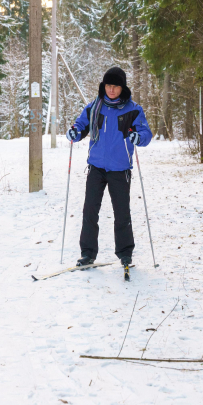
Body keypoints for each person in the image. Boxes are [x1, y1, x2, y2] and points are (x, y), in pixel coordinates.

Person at [66, 67, 153, 268]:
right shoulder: (94, 107)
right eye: (108, 85)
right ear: (103, 86)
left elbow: (145, 133)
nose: (111, 90)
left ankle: (125, 254)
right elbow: (80, 126)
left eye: (115, 86)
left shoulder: (133, 110)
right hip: (96, 167)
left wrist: (138, 138)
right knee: (90, 211)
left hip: (120, 168)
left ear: (122, 88)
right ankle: (87, 253)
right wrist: (74, 133)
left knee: (121, 213)